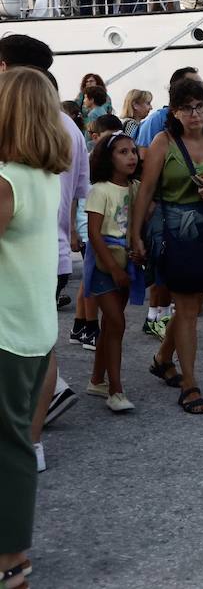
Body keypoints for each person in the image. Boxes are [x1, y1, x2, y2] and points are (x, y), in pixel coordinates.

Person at [129, 78, 203, 415]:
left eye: (201, 107)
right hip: (173, 231)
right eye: (187, 108)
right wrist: (135, 235)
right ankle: (190, 385)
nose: (195, 114)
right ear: (175, 112)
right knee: (187, 310)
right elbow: (146, 191)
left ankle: (163, 358)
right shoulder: (164, 142)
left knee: (195, 299)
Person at [0, 67, 68, 585]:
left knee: (9, 448)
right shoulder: (45, 177)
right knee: (16, 441)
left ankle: (12, 563)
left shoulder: (7, 183)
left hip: (6, 331)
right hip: (33, 326)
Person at [83, 132, 142, 413]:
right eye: (122, 152)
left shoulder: (135, 188)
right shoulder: (100, 190)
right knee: (116, 323)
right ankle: (116, 391)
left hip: (127, 263)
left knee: (111, 324)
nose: (131, 156)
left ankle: (97, 380)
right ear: (109, 158)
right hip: (105, 266)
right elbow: (94, 235)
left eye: (133, 150)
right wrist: (114, 269)